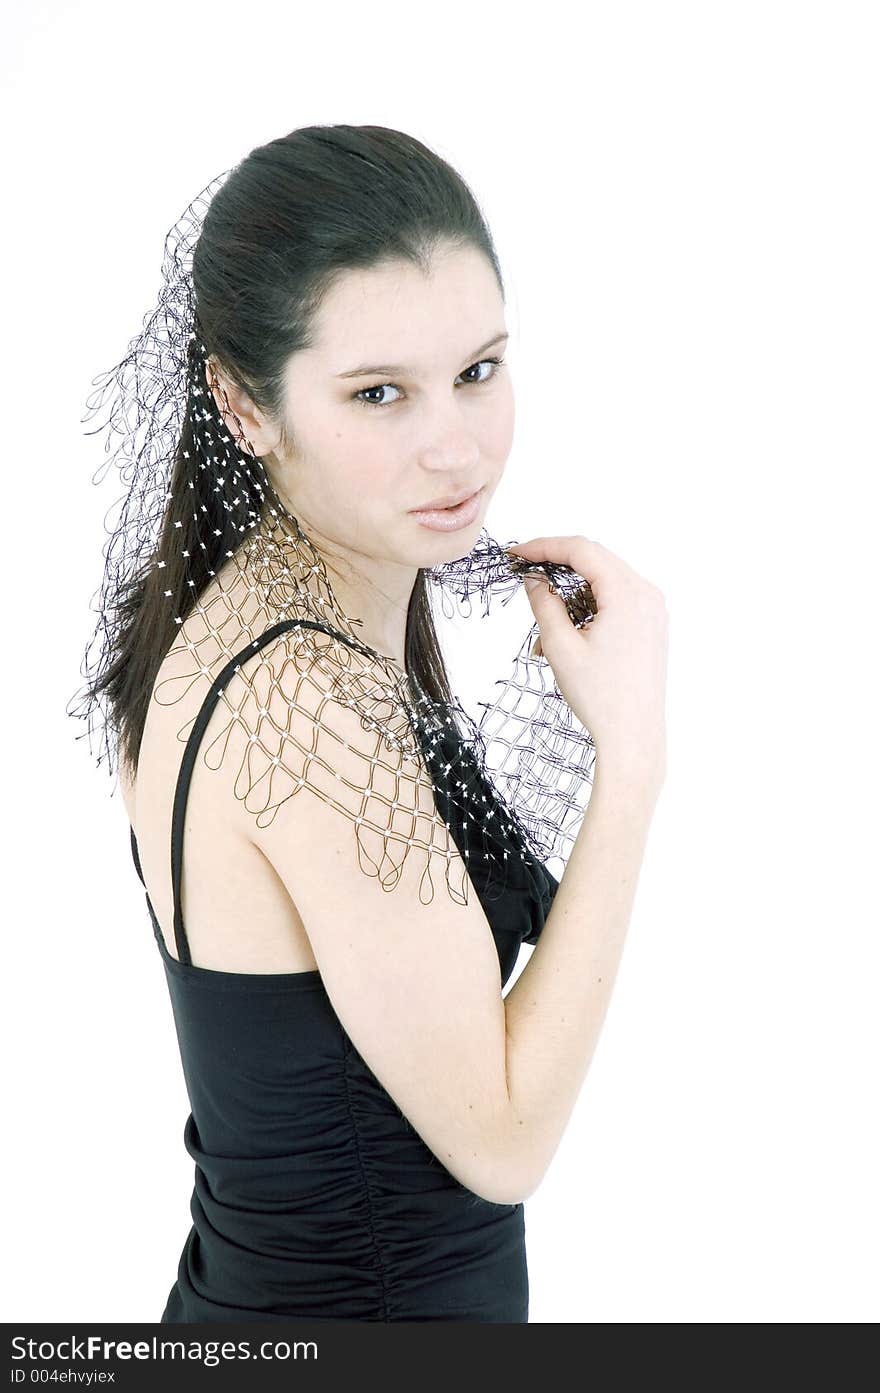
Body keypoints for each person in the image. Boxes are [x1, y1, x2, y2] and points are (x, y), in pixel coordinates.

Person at [69, 124, 669, 1322]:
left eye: (480, 370)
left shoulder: (230, 603)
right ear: (242, 405)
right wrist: (634, 759)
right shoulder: (308, 707)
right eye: (379, 393)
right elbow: (499, 1143)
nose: (456, 445)